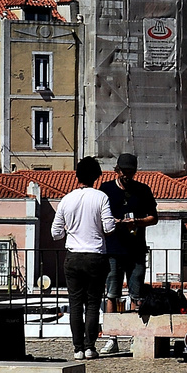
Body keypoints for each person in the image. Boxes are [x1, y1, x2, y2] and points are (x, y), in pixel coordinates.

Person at [51, 157, 116, 360]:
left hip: (73, 256)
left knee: (76, 304)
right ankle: (90, 347)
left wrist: (70, 231)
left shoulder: (66, 200)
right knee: (93, 303)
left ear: (77, 176)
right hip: (96, 256)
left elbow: (56, 233)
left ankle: (77, 348)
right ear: (96, 176)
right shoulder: (101, 198)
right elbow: (109, 228)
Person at [100, 153, 158, 355]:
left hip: (136, 250)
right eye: (124, 171)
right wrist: (112, 223)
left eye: (130, 172)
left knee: (136, 295)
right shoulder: (106, 190)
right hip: (113, 249)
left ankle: (135, 336)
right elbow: (99, 216)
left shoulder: (143, 191)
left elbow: (154, 217)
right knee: (111, 294)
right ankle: (111, 338)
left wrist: (137, 222)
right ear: (117, 170)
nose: (127, 175)